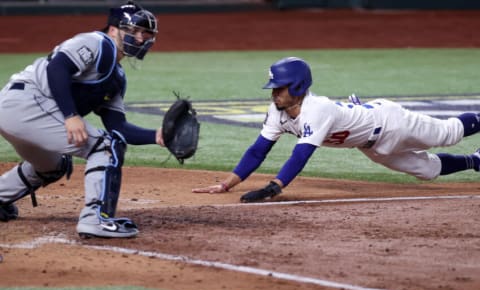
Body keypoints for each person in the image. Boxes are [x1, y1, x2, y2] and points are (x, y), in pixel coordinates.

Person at [193, 56, 480, 202]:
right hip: (371, 147)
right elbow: (258, 150)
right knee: (427, 172)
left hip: (391, 121)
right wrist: (226, 184)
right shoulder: (277, 112)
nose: (274, 94)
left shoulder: (316, 109)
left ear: (297, 87)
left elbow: (301, 155)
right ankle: (476, 160)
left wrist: (274, 188)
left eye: (279, 88)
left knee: (449, 134)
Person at [0, 1, 165, 238]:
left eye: (145, 33)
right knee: (105, 146)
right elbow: (58, 68)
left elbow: (118, 127)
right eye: (134, 31)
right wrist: (70, 115)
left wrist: (157, 136)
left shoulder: (117, 77)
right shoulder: (97, 42)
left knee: (54, 166)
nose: (140, 39)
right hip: (24, 103)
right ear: (113, 29)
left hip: (23, 111)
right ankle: (95, 220)